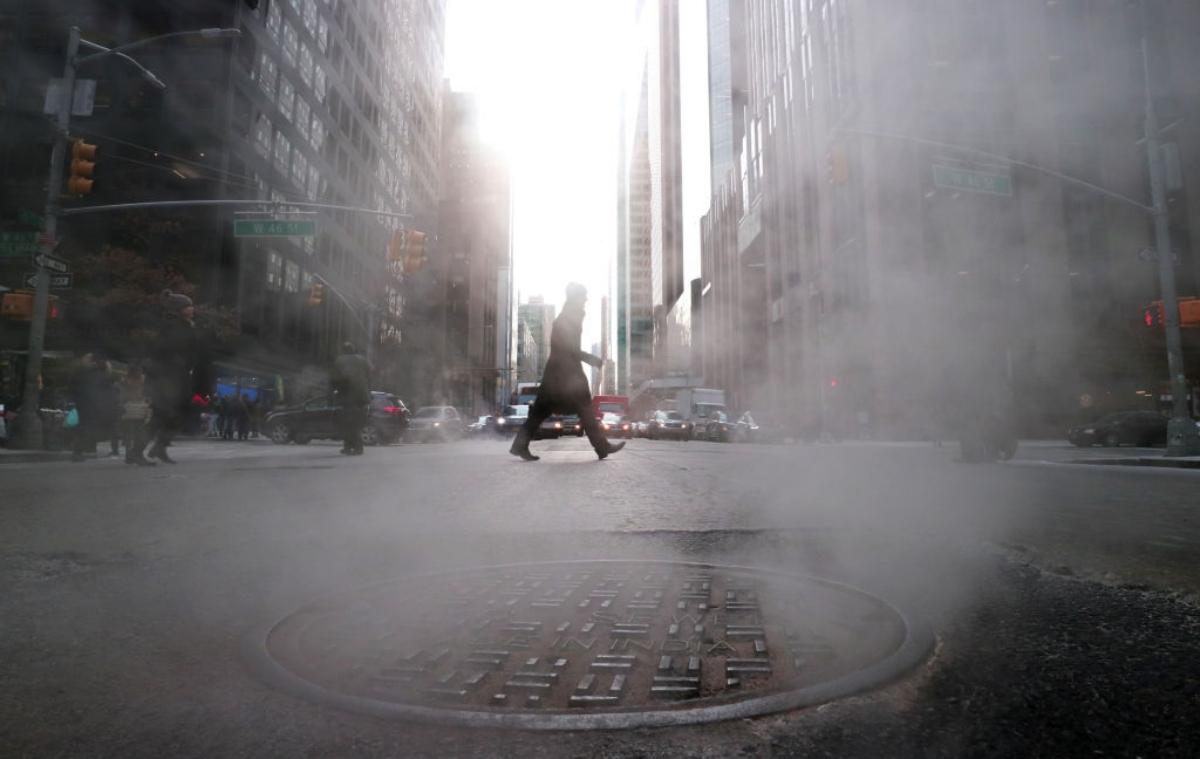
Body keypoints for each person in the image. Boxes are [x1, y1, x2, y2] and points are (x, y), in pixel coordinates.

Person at [510, 283, 624, 462]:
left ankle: (519, 445)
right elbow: (567, 348)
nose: (585, 300)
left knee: (541, 412)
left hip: (558, 374)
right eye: (583, 296)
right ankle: (602, 447)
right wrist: (589, 359)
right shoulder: (567, 318)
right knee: (584, 409)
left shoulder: (569, 317)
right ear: (575, 298)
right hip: (564, 375)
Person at [145, 290, 200, 464]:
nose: (191, 309)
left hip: (178, 378)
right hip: (167, 379)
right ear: (179, 309)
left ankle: (159, 447)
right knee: (161, 416)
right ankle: (137, 450)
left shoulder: (186, 325)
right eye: (187, 306)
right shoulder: (173, 326)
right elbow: (163, 350)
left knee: (177, 416)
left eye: (191, 305)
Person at [69, 353, 116, 462]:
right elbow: (106, 388)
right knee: (87, 427)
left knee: (84, 426)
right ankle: (80, 450)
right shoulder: (99, 372)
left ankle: (80, 450)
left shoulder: (81, 372)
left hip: (84, 403)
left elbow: (74, 387)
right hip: (92, 404)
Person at [332, 341, 371, 455]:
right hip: (362, 397)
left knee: (348, 423)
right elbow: (369, 377)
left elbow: (335, 379)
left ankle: (353, 447)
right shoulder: (363, 360)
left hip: (348, 396)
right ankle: (352, 447)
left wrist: (334, 393)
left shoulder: (339, 360)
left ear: (343, 350)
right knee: (356, 423)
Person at [118, 364, 154, 466]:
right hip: (134, 410)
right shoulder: (131, 381)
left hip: (130, 411)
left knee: (130, 435)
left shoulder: (125, 381)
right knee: (138, 435)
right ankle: (137, 456)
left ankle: (131, 456)